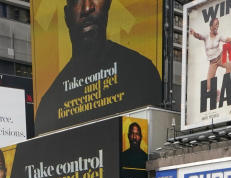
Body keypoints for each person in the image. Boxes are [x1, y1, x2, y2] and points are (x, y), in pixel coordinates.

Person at [34, 0, 162, 133]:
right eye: (77, 1)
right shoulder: (48, 106)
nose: (87, 7)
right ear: (67, 15)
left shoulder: (141, 72)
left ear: (108, 4)